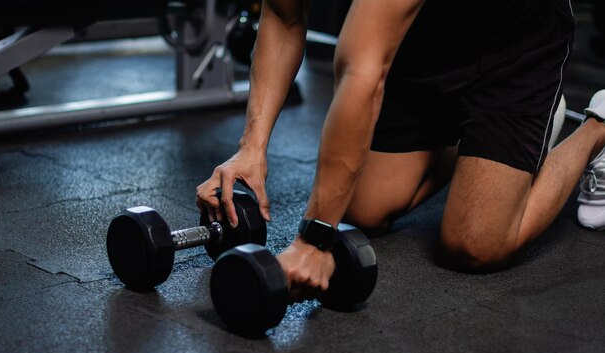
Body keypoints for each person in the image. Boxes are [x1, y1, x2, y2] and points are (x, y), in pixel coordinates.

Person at [196, 0, 605, 300]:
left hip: (517, 35)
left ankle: (595, 127)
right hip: (423, 31)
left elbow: (362, 72)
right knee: (363, 210)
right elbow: (284, 18)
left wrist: (314, 238)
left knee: (475, 244)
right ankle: (498, 149)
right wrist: (251, 148)